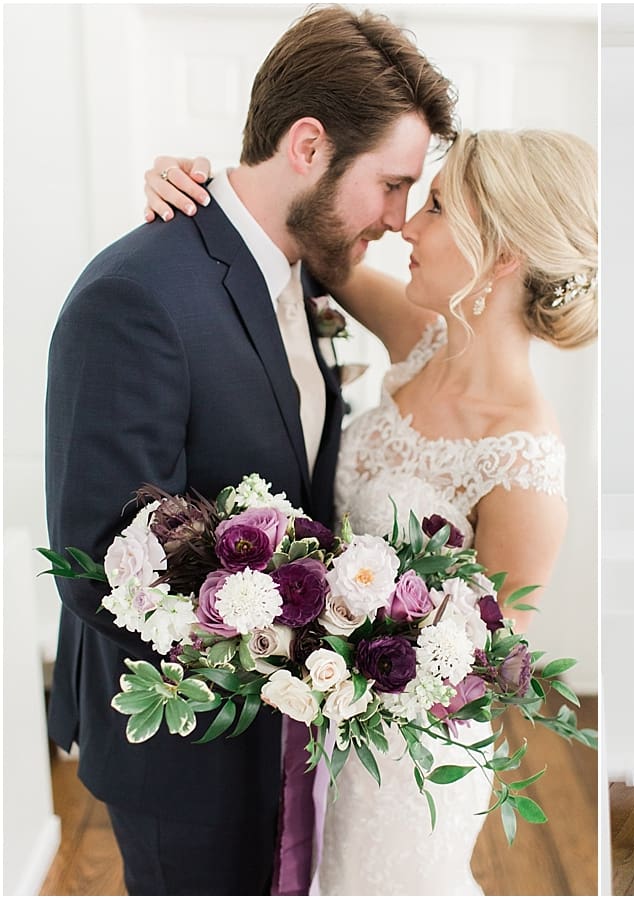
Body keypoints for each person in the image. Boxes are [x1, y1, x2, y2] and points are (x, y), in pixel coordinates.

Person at [45, 7, 455, 894]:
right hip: (185, 754)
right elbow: (100, 559)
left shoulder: (304, 267)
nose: (397, 217)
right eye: (391, 184)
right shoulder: (137, 295)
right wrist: (308, 626)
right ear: (307, 145)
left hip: (290, 732)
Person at [144, 128, 597, 893]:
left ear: (504, 253)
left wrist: (347, 654)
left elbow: (481, 668)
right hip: (322, 721)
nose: (406, 225)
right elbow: (298, 236)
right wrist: (193, 187)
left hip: (408, 767)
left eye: (437, 206)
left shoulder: (524, 466)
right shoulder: (423, 338)